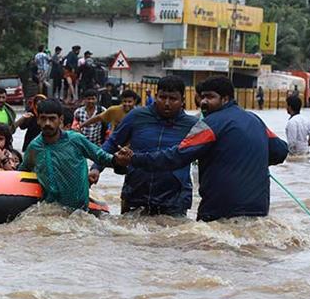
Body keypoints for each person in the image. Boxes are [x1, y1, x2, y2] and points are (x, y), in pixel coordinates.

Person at [115, 76, 288, 222]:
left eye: (210, 97)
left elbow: (176, 157)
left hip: (219, 209)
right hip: (258, 209)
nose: (203, 102)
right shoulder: (255, 120)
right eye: (202, 97)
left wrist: (135, 159)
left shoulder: (210, 124)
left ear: (226, 99)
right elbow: (280, 151)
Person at [89, 76, 198, 217]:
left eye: (173, 99)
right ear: (155, 96)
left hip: (174, 200)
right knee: (129, 236)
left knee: (173, 236)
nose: (166, 103)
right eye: (162, 97)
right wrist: (96, 168)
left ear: (182, 100)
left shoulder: (192, 125)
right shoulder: (137, 116)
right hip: (135, 193)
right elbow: (112, 143)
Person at [18, 99, 123, 211]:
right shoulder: (34, 147)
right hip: (50, 212)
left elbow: (101, 156)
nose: (47, 123)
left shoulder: (75, 140)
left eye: (52, 118)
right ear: (38, 120)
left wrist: (117, 160)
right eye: (43, 118)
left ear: (61, 120)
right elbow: (22, 172)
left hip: (80, 212)